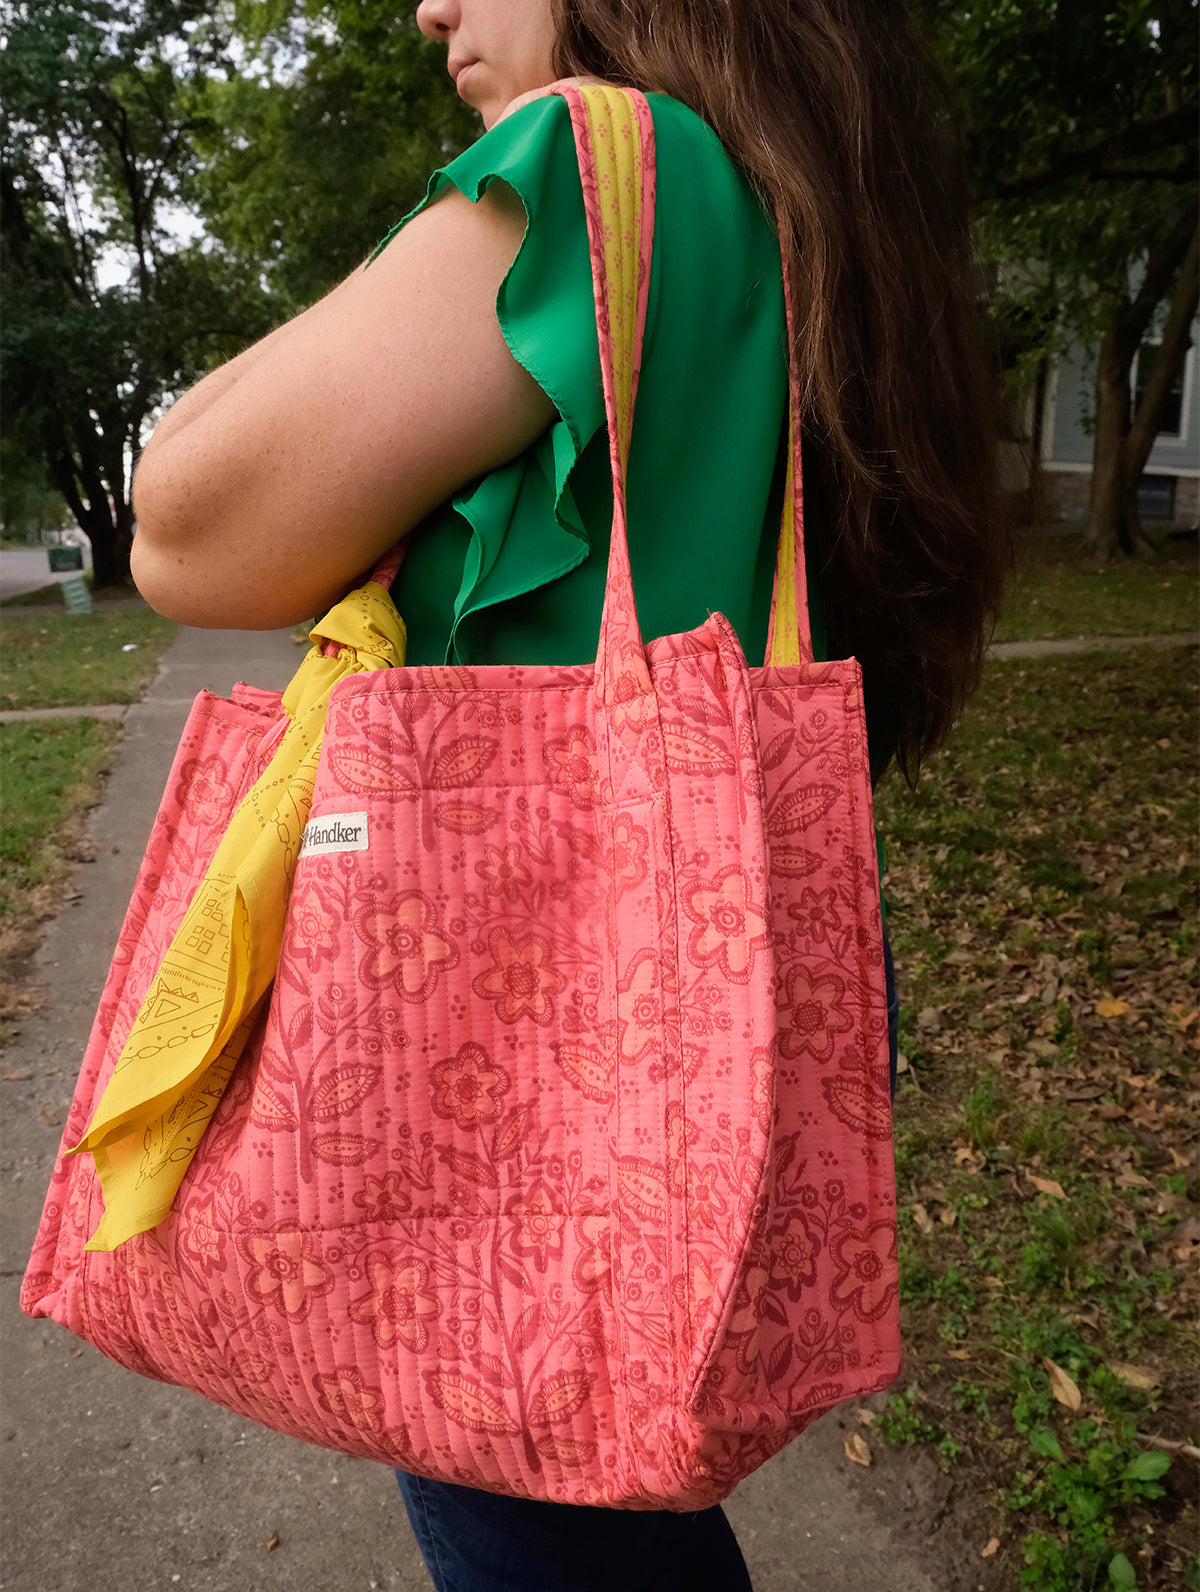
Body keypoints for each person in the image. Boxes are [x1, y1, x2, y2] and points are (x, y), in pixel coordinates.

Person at [130, 1, 1010, 1587]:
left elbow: (187, 530)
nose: (431, 9)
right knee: (594, 1478)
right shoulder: (779, 208)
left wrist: (454, 206)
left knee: (521, 1478)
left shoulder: (595, 164)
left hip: (519, 992)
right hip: (688, 966)